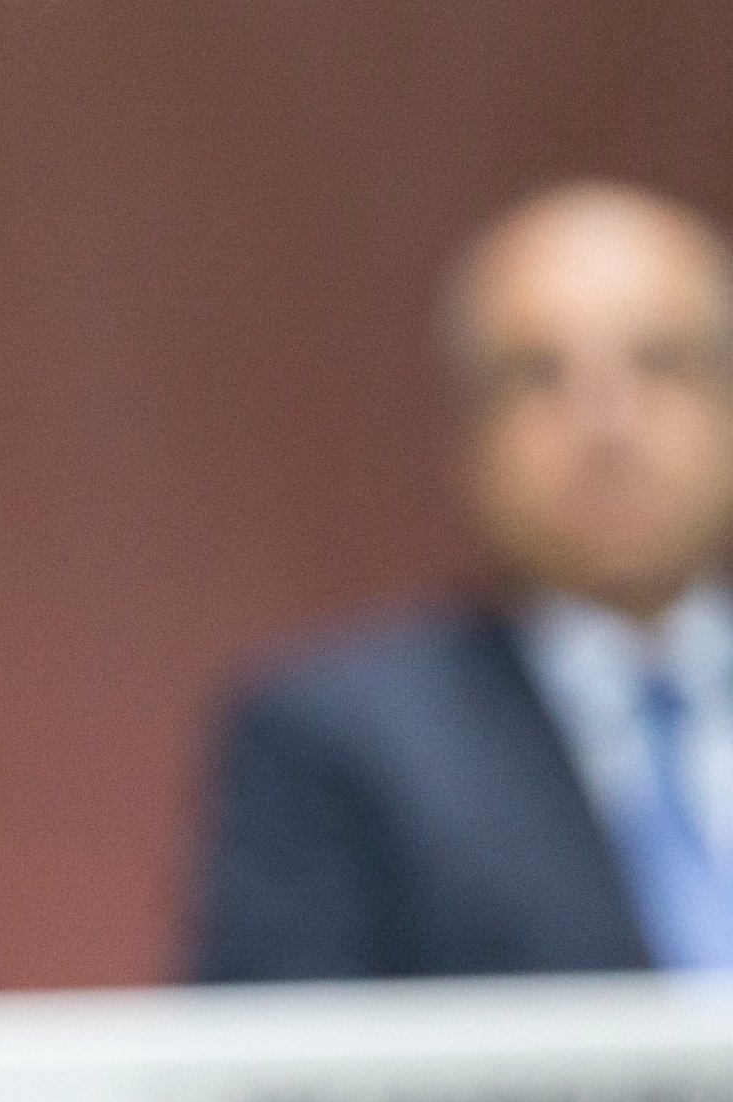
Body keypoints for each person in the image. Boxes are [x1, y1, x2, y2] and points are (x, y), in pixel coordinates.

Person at [195, 182, 733, 982]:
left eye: (660, 364)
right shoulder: (340, 742)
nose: (609, 424)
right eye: (540, 377)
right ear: (469, 443)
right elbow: (274, 1085)